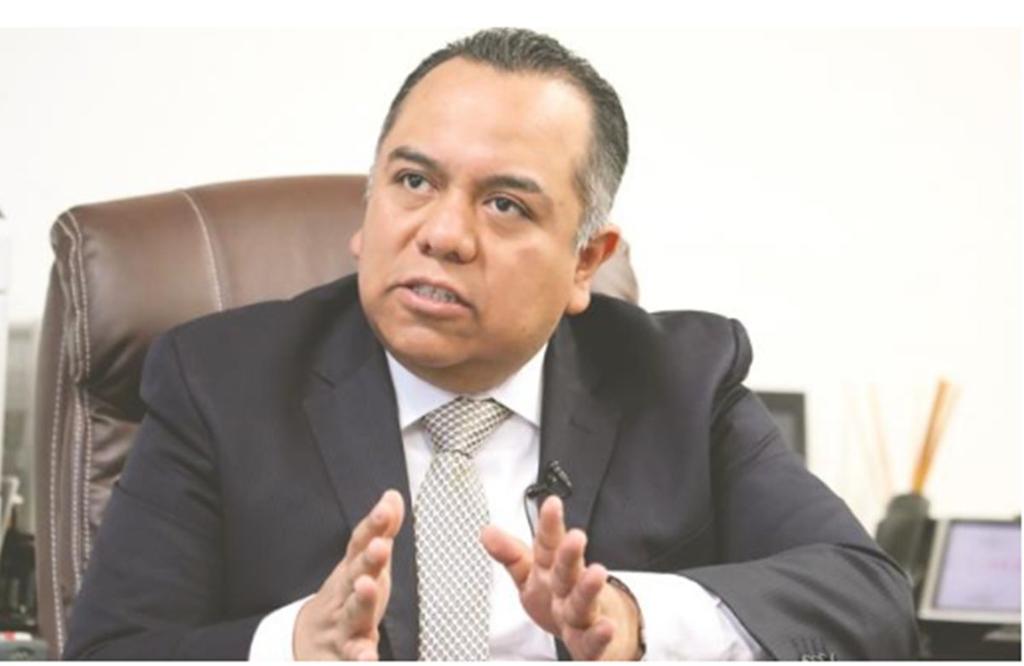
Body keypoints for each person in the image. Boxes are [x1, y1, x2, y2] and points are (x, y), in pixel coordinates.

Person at [65, 28, 918, 660]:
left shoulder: (681, 380)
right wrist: (292, 647)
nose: (442, 234)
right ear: (367, 211)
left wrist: (634, 618)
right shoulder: (222, 382)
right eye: (413, 181)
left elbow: (869, 600)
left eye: (505, 204)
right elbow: (110, 652)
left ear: (587, 261)